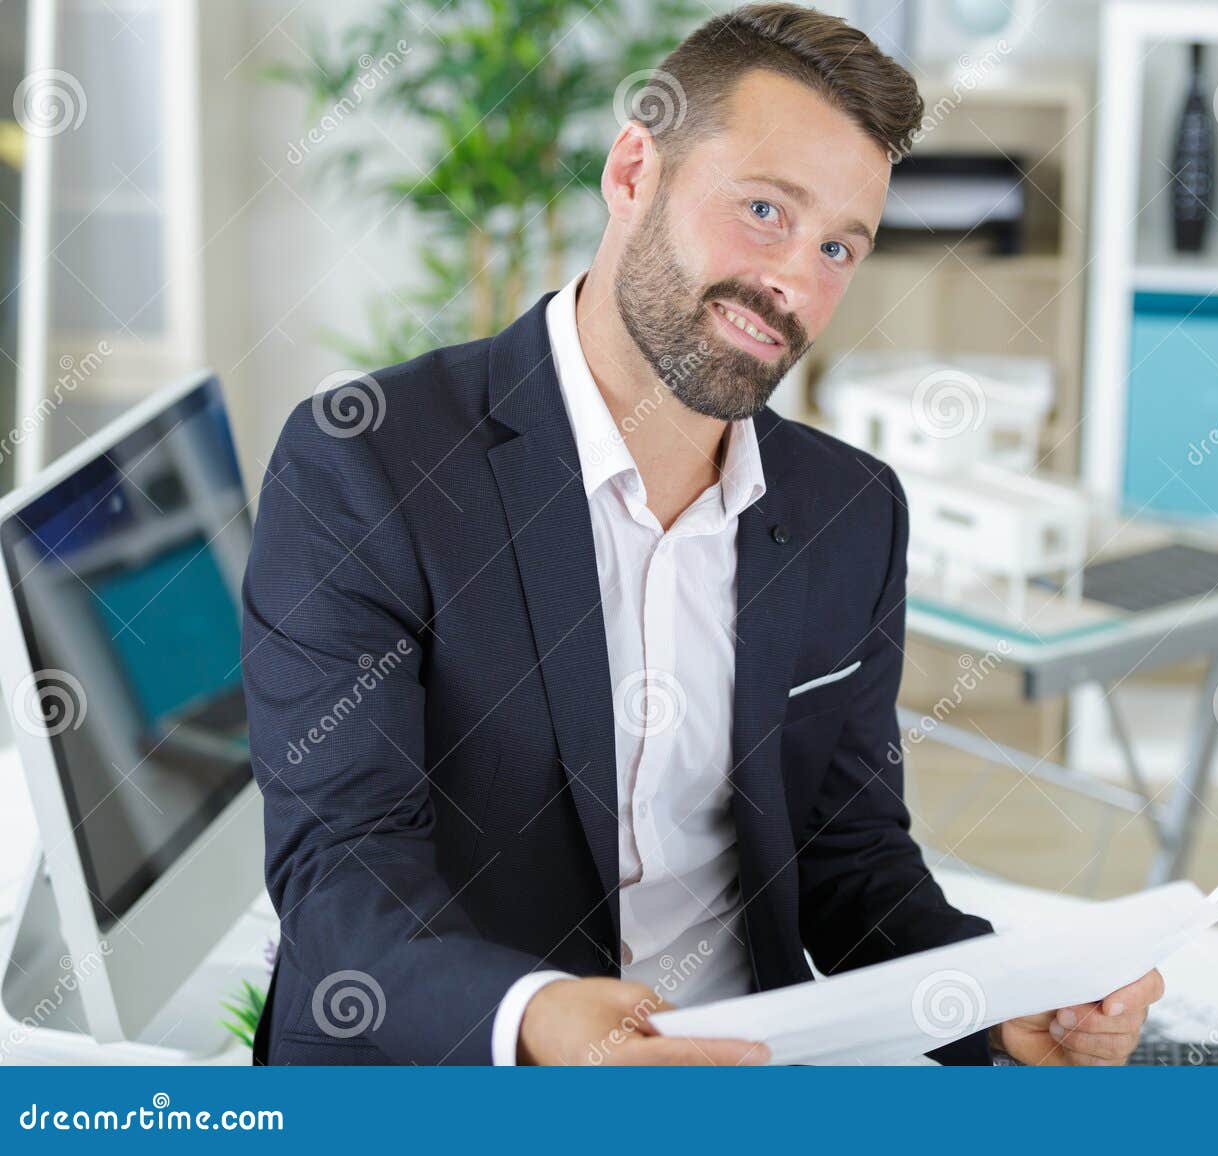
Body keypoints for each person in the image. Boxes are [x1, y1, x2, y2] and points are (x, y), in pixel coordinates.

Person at [242, 2, 1162, 1067]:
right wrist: (541, 1018)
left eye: (837, 246)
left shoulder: (849, 513)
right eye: (765, 210)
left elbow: (848, 858)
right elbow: (342, 875)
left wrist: (995, 1000)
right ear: (634, 171)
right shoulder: (368, 467)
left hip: (745, 1075)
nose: (796, 282)